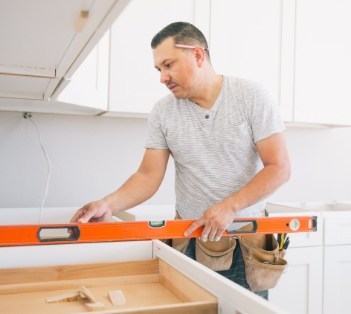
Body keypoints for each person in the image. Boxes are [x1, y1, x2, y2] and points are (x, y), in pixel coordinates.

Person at [70, 22, 291, 300]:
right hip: (188, 239)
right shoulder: (163, 111)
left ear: (197, 55)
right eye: (159, 69)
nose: (163, 77)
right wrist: (107, 204)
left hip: (244, 242)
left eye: (168, 65)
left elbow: (279, 168)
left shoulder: (251, 96)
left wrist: (229, 207)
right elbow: (147, 177)